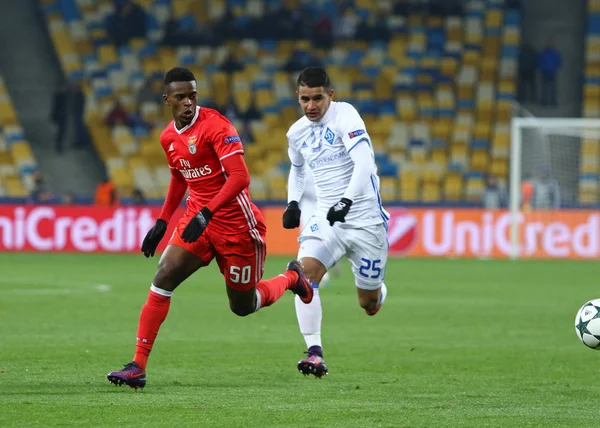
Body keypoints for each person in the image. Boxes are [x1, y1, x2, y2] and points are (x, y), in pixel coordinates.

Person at [107, 67, 313, 389]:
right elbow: (179, 177)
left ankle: (291, 278)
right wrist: (163, 220)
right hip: (198, 219)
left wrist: (208, 212)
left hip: (236, 225)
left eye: (192, 95)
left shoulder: (217, 126)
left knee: (242, 307)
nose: (188, 102)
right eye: (180, 97)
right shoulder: (168, 137)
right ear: (167, 100)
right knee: (164, 275)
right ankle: (138, 365)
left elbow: (240, 177)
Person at [283, 67, 389, 378]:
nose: (311, 105)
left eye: (317, 98)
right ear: (298, 98)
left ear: (330, 95)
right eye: (305, 99)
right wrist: (292, 202)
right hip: (326, 218)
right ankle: (314, 352)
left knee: (367, 303)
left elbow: (364, 163)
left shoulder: (346, 116)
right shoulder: (296, 132)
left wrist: (347, 201)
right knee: (303, 277)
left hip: (365, 218)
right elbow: (298, 169)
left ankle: (378, 291)